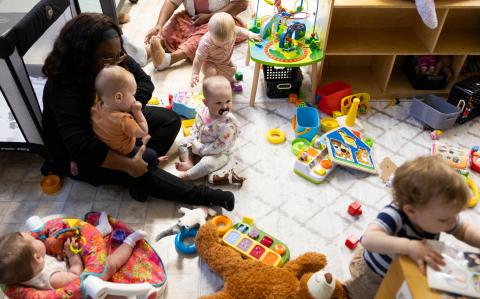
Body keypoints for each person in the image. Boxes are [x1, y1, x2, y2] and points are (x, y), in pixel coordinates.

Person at [41, 13, 235, 211]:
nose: (116, 62)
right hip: (85, 152)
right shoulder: (64, 86)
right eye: (108, 58)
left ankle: (139, 170)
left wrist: (126, 111)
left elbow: (144, 82)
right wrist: (127, 164)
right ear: (82, 55)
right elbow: (80, 145)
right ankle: (205, 196)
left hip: (115, 123)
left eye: (119, 55)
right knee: (142, 167)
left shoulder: (116, 59)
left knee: (170, 122)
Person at [344, 156, 480, 298]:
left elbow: (464, 231)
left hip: (404, 270)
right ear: (411, 211)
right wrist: (409, 246)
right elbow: (368, 239)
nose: (452, 222)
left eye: (455, 215)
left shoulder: (443, 216)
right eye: (445, 219)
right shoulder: (395, 214)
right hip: (374, 274)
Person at [0, 212, 146, 289]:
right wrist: (72, 255)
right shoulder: (53, 279)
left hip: (65, 258)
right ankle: (130, 242)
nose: (34, 236)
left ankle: (103, 229)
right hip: (84, 275)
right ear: (37, 258)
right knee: (110, 264)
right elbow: (77, 278)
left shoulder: (26, 267)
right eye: (33, 240)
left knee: (79, 237)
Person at [92, 65, 167, 170]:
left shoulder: (96, 108)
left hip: (110, 146)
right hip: (125, 152)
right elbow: (143, 131)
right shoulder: (123, 119)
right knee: (152, 154)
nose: (134, 99)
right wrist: (137, 111)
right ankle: (155, 162)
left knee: (131, 135)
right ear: (118, 97)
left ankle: (141, 143)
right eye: (132, 95)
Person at [143, 0, 249, 71]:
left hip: (222, 19)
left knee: (208, 37)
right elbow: (172, 2)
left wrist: (210, 17)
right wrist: (159, 24)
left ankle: (170, 59)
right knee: (175, 24)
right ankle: (146, 52)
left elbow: (242, 4)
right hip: (192, 18)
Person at [176, 76, 242, 183]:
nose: (225, 106)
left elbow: (219, 146)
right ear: (206, 103)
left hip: (219, 152)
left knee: (207, 164)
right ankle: (188, 161)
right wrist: (193, 140)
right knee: (182, 143)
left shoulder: (228, 125)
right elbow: (195, 128)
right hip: (200, 143)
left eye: (228, 101)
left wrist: (200, 150)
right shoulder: (201, 112)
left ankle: (187, 175)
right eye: (218, 103)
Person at [190, 12, 260, 87]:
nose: (223, 45)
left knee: (233, 70)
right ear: (210, 33)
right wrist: (195, 73)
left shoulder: (233, 31)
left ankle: (222, 78)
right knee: (211, 73)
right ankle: (208, 84)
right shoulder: (205, 43)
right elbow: (198, 59)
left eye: (226, 41)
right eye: (218, 42)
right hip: (210, 62)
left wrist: (250, 34)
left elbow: (242, 31)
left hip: (225, 59)